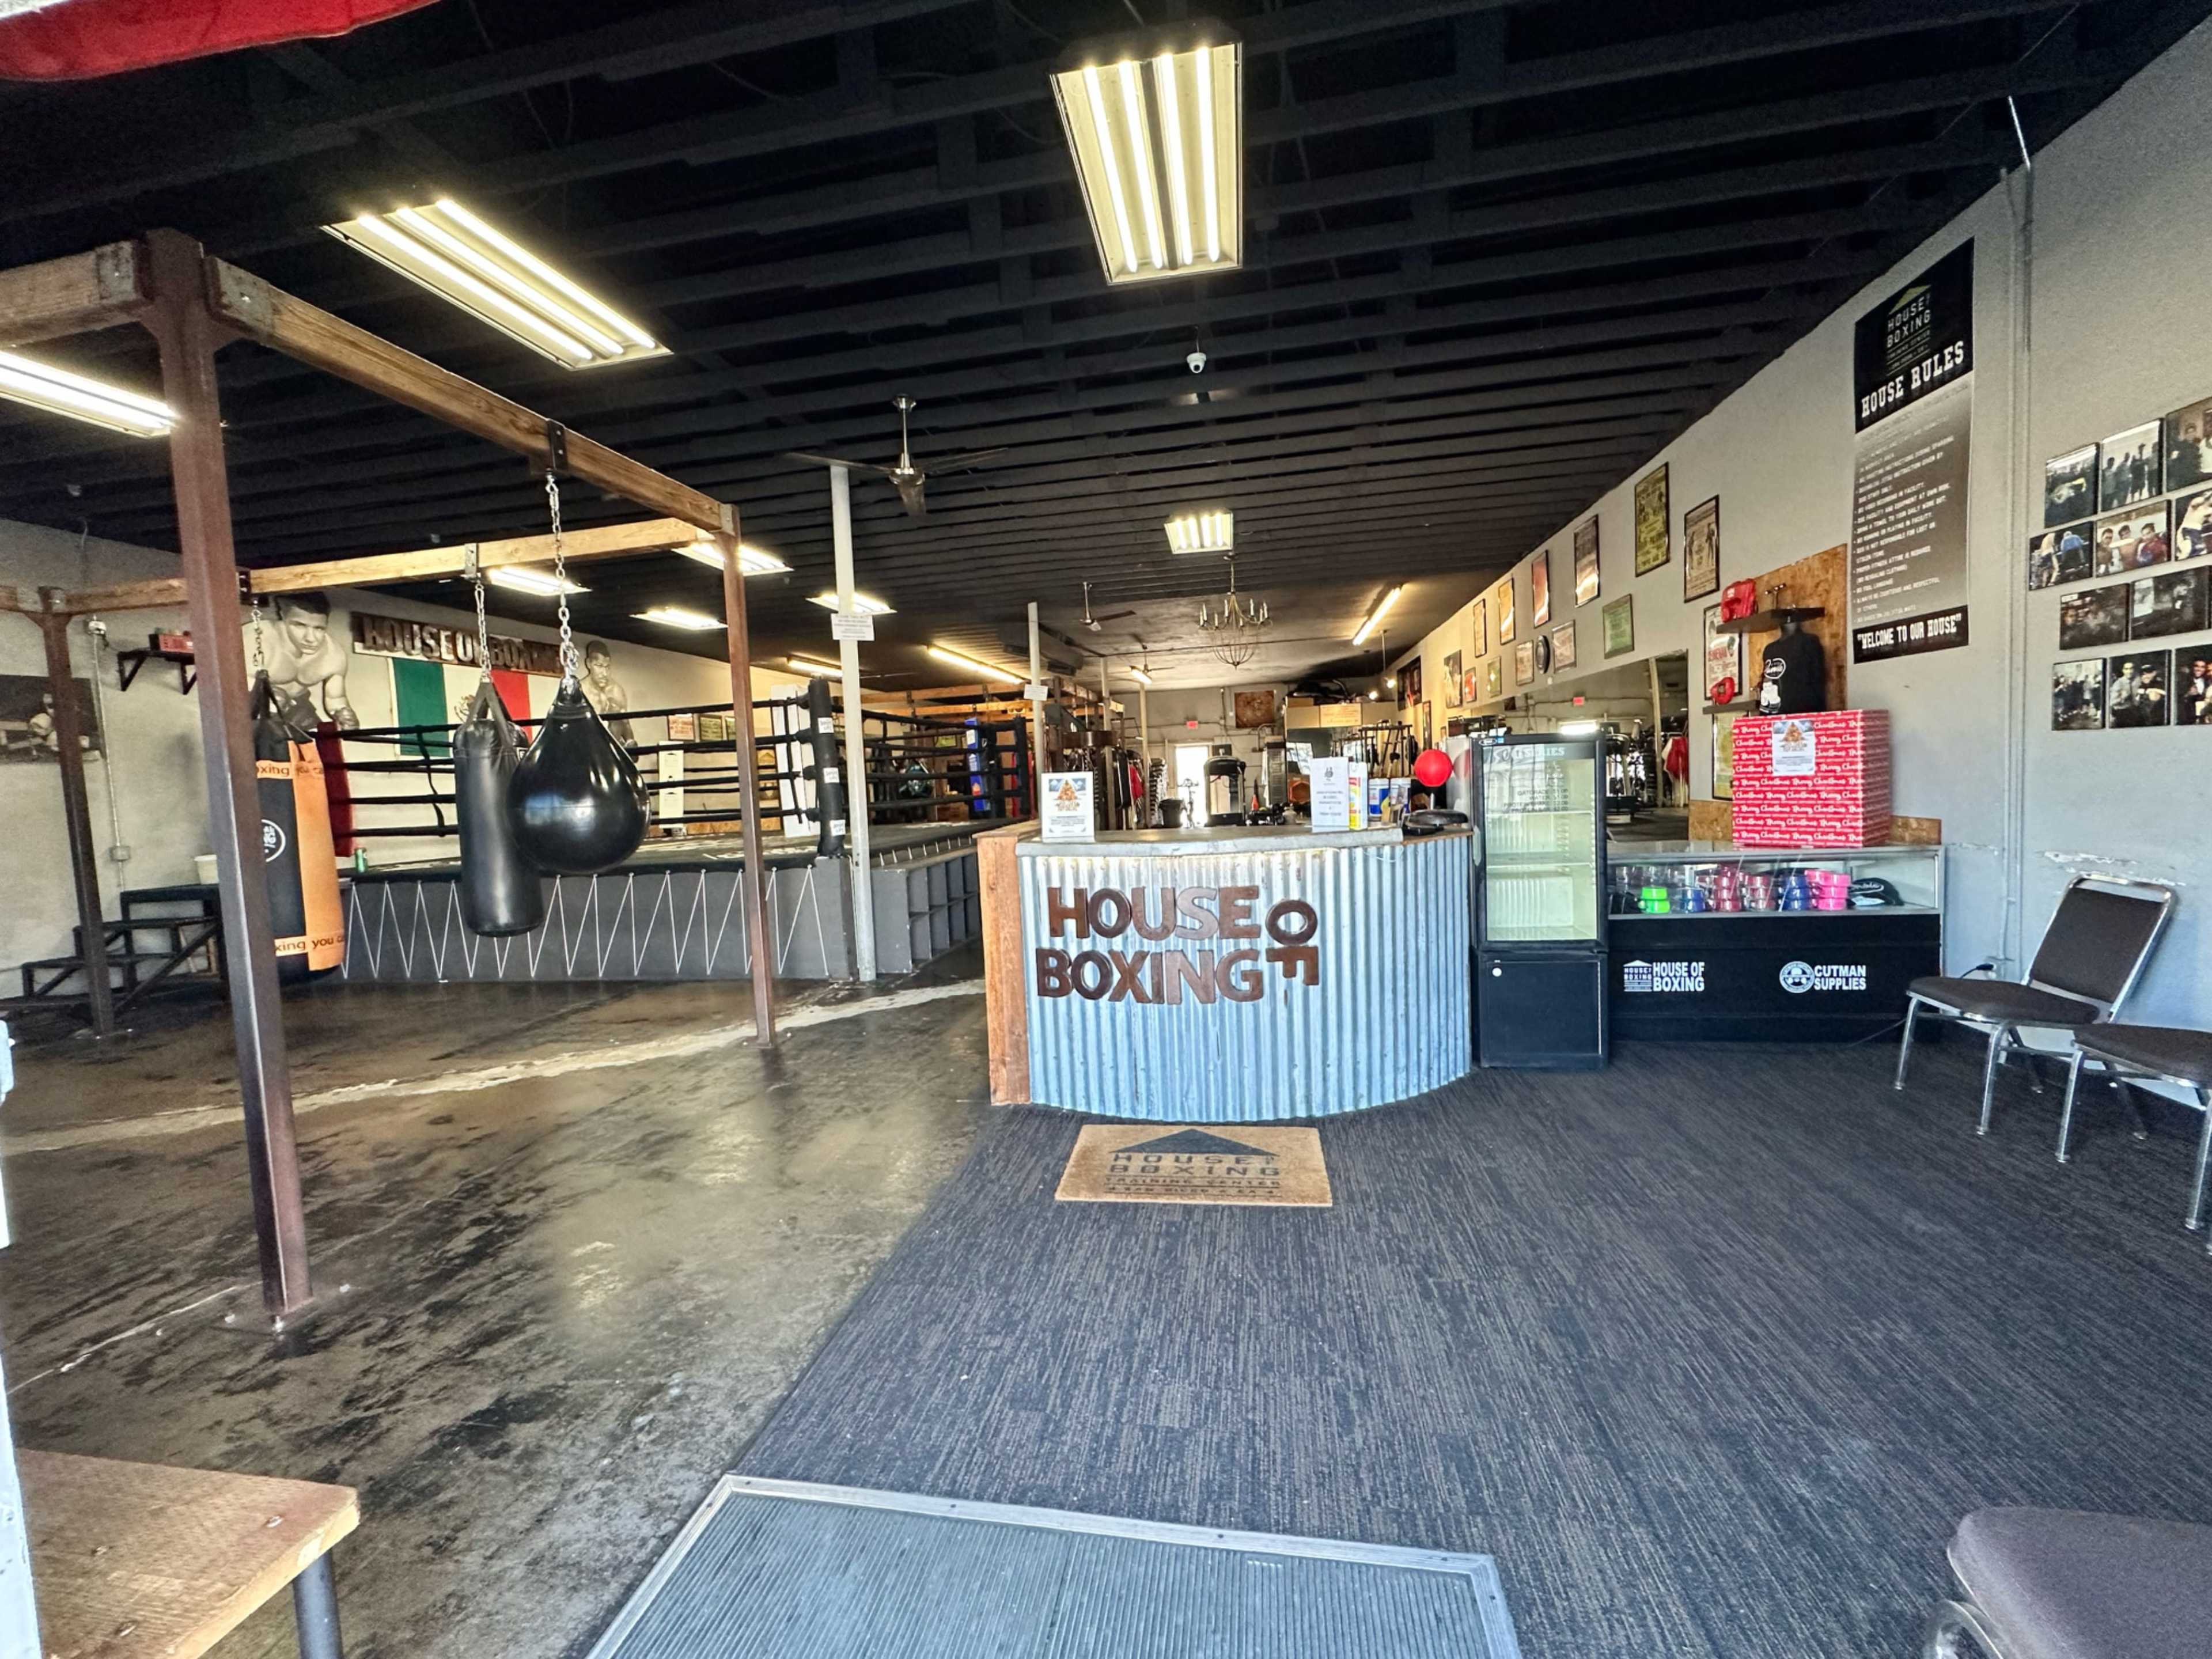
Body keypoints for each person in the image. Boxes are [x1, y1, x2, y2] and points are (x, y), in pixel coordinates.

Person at [257, 592, 358, 728]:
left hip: (299, 709)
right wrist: (264, 697)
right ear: (283, 617)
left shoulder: (333, 654)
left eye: (319, 628)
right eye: (300, 625)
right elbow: (231, 689)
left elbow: (335, 699)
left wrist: (344, 715)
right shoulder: (260, 639)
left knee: (314, 742)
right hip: (255, 713)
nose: (310, 638)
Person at [579, 639, 635, 746]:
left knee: (617, 718)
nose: (604, 673)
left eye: (607, 667)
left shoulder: (616, 691)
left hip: (612, 753)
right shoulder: (580, 690)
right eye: (599, 666)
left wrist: (631, 742)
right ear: (589, 664)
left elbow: (625, 723)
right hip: (587, 749)